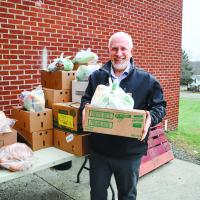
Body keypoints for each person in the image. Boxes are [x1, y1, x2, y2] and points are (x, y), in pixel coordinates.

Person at [79, 32, 166, 200]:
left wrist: (151, 117)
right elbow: (86, 99)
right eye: (114, 49)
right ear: (109, 50)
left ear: (131, 50)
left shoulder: (146, 80)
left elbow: (160, 106)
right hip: (99, 152)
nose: (119, 53)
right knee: (97, 195)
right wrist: (84, 108)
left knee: (127, 196)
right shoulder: (97, 76)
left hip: (129, 153)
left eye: (123, 49)